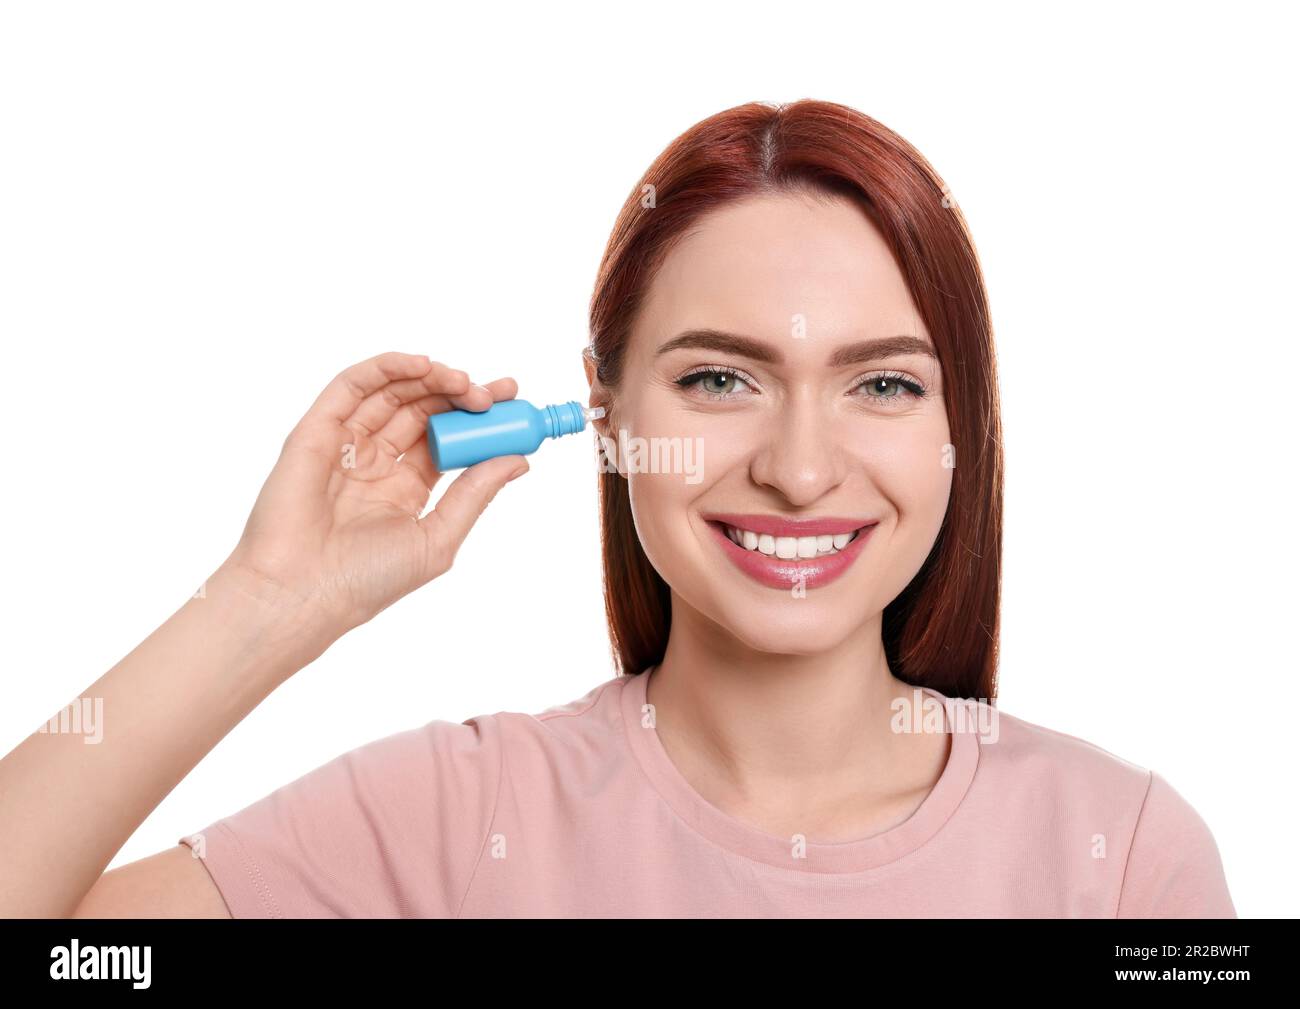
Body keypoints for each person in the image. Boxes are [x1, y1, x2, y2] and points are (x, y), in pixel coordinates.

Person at [0, 99, 1234, 917]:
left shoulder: (1123, 858)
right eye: (718, 378)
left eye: (882, 383)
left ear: (958, 428)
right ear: (605, 414)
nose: (801, 470)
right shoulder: (446, 822)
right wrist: (263, 606)